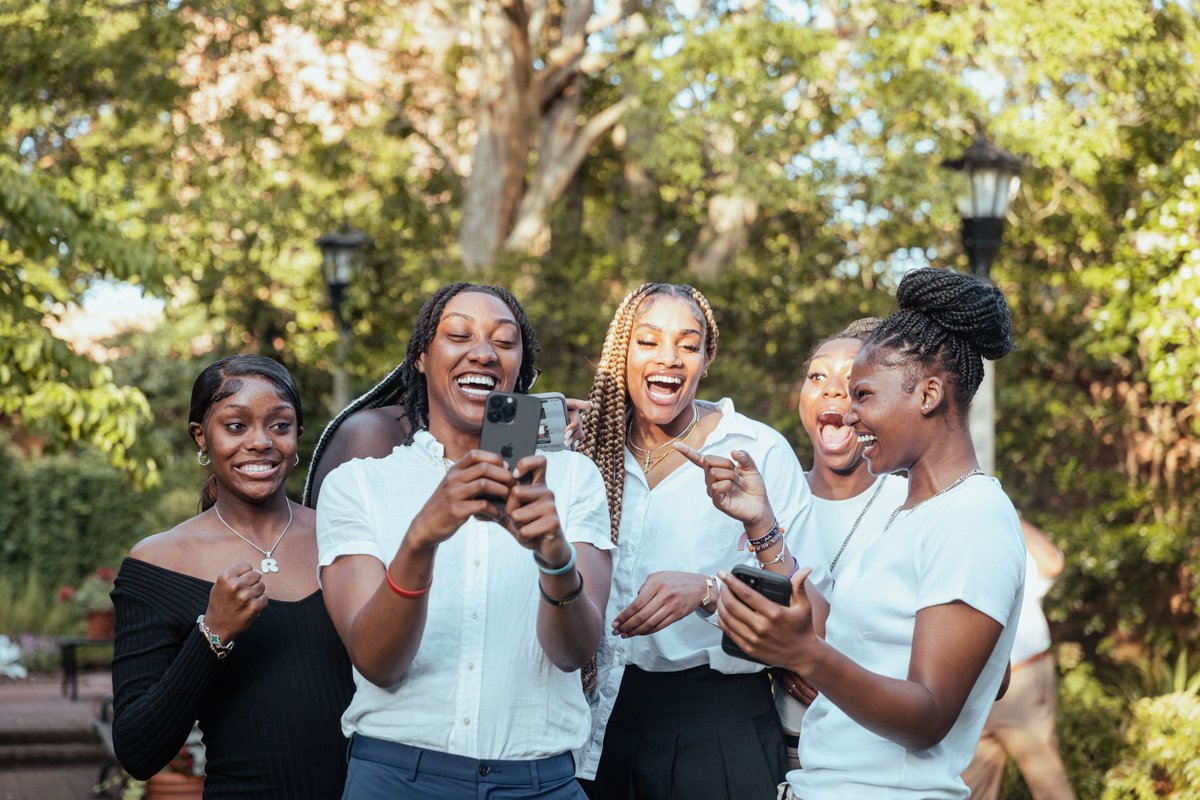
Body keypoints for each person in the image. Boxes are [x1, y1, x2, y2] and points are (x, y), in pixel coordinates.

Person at [688, 267, 1026, 799]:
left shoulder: (972, 518)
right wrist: (763, 524)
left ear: (929, 394)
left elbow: (929, 715)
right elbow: (843, 635)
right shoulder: (913, 512)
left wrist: (805, 656)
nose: (848, 412)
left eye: (863, 394)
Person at [316, 283, 613, 799]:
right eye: (458, 335)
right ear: (420, 359)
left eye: (505, 340)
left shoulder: (571, 478)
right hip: (395, 778)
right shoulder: (360, 483)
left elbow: (574, 654)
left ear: (522, 366)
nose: (483, 351)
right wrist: (421, 539)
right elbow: (377, 663)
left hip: (539, 782)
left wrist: (555, 557)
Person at [575, 282, 814, 799]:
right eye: (649, 341)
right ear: (620, 355)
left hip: (714, 723)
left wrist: (709, 593)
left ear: (707, 359)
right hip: (588, 726)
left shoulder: (756, 451)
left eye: (688, 344)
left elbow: (807, 608)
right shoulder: (587, 453)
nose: (670, 358)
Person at [111, 355, 354, 798]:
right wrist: (212, 634)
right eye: (236, 426)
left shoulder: (345, 536)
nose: (260, 442)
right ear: (201, 436)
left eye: (279, 425)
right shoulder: (159, 562)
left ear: (297, 434)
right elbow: (138, 751)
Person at [772, 317, 909, 770]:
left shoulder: (909, 506)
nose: (833, 389)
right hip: (780, 755)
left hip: (880, 762)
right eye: (817, 375)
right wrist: (776, 659)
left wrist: (819, 662)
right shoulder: (768, 497)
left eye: (852, 378)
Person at [962, 517, 1075, 799]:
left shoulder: (1006, 537)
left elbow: (1052, 563)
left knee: (1050, 786)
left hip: (1019, 684)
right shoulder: (953, 540)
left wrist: (1011, 514)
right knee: (970, 790)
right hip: (969, 689)